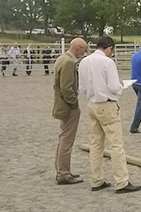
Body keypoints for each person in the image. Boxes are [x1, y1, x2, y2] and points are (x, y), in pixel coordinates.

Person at [79, 35, 141, 194]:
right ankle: (121, 182)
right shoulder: (107, 62)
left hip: (92, 104)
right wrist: (121, 85)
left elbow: (83, 88)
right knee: (116, 145)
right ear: (109, 48)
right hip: (107, 105)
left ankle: (96, 180)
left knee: (96, 144)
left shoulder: (84, 62)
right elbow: (114, 87)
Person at [52, 38, 87, 185]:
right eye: (83, 50)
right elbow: (67, 88)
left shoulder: (62, 58)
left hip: (63, 104)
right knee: (67, 140)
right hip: (68, 106)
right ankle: (63, 174)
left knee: (63, 139)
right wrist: (74, 103)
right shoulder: (68, 62)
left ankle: (62, 169)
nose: (84, 53)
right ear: (78, 48)